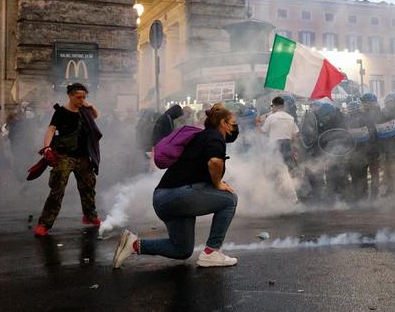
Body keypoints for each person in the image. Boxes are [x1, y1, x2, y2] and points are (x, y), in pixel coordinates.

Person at [112, 104, 240, 268]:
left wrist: (215, 184)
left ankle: (133, 244)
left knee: (182, 249)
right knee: (230, 200)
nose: (235, 127)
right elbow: (215, 161)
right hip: (177, 195)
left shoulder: (202, 137)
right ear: (223, 123)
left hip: (164, 198)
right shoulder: (215, 136)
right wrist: (217, 184)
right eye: (233, 123)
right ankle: (212, 252)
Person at [34, 83, 103, 236]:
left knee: (88, 188)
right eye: (78, 97)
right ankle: (44, 224)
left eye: (84, 97)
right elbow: (51, 129)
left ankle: (90, 216)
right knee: (57, 190)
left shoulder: (84, 111)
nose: (81, 100)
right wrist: (47, 148)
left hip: (83, 157)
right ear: (70, 96)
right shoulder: (61, 112)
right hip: (64, 156)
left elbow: (96, 115)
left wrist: (90, 105)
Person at [257, 96, 299, 172]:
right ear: (283, 106)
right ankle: (290, 179)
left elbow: (263, 131)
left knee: (275, 167)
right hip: (287, 145)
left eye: (272, 106)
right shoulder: (290, 118)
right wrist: (295, 150)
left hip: (275, 145)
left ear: (274, 106)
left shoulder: (271, 117)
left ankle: (278, 178)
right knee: (289, 166)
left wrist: (258, 125)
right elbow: (295, 135)